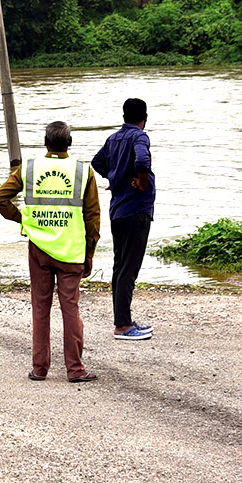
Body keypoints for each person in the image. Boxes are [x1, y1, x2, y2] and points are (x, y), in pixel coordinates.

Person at [0, 121, 101, 383]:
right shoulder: (83, 171)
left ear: (45, 142)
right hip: (71, 250)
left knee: (40, 308)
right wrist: (90, 252)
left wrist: (22, 220)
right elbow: (93, 217)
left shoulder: (29, 168)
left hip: (39, 248)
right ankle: (75, 369)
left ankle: (40, 369)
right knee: (70, 308)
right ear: (69, 143)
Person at [91, 97, 156, 341]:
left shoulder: (113, 138)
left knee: (120, 266)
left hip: (117, 209)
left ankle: (123, 319)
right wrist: (140, 178)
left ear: (124, 116)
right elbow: (141, 159)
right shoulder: (140, 137)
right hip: (135, 209)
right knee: (128, 268)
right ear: (145, 118)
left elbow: (97, 162)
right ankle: (122, 325)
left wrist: (115, 177)